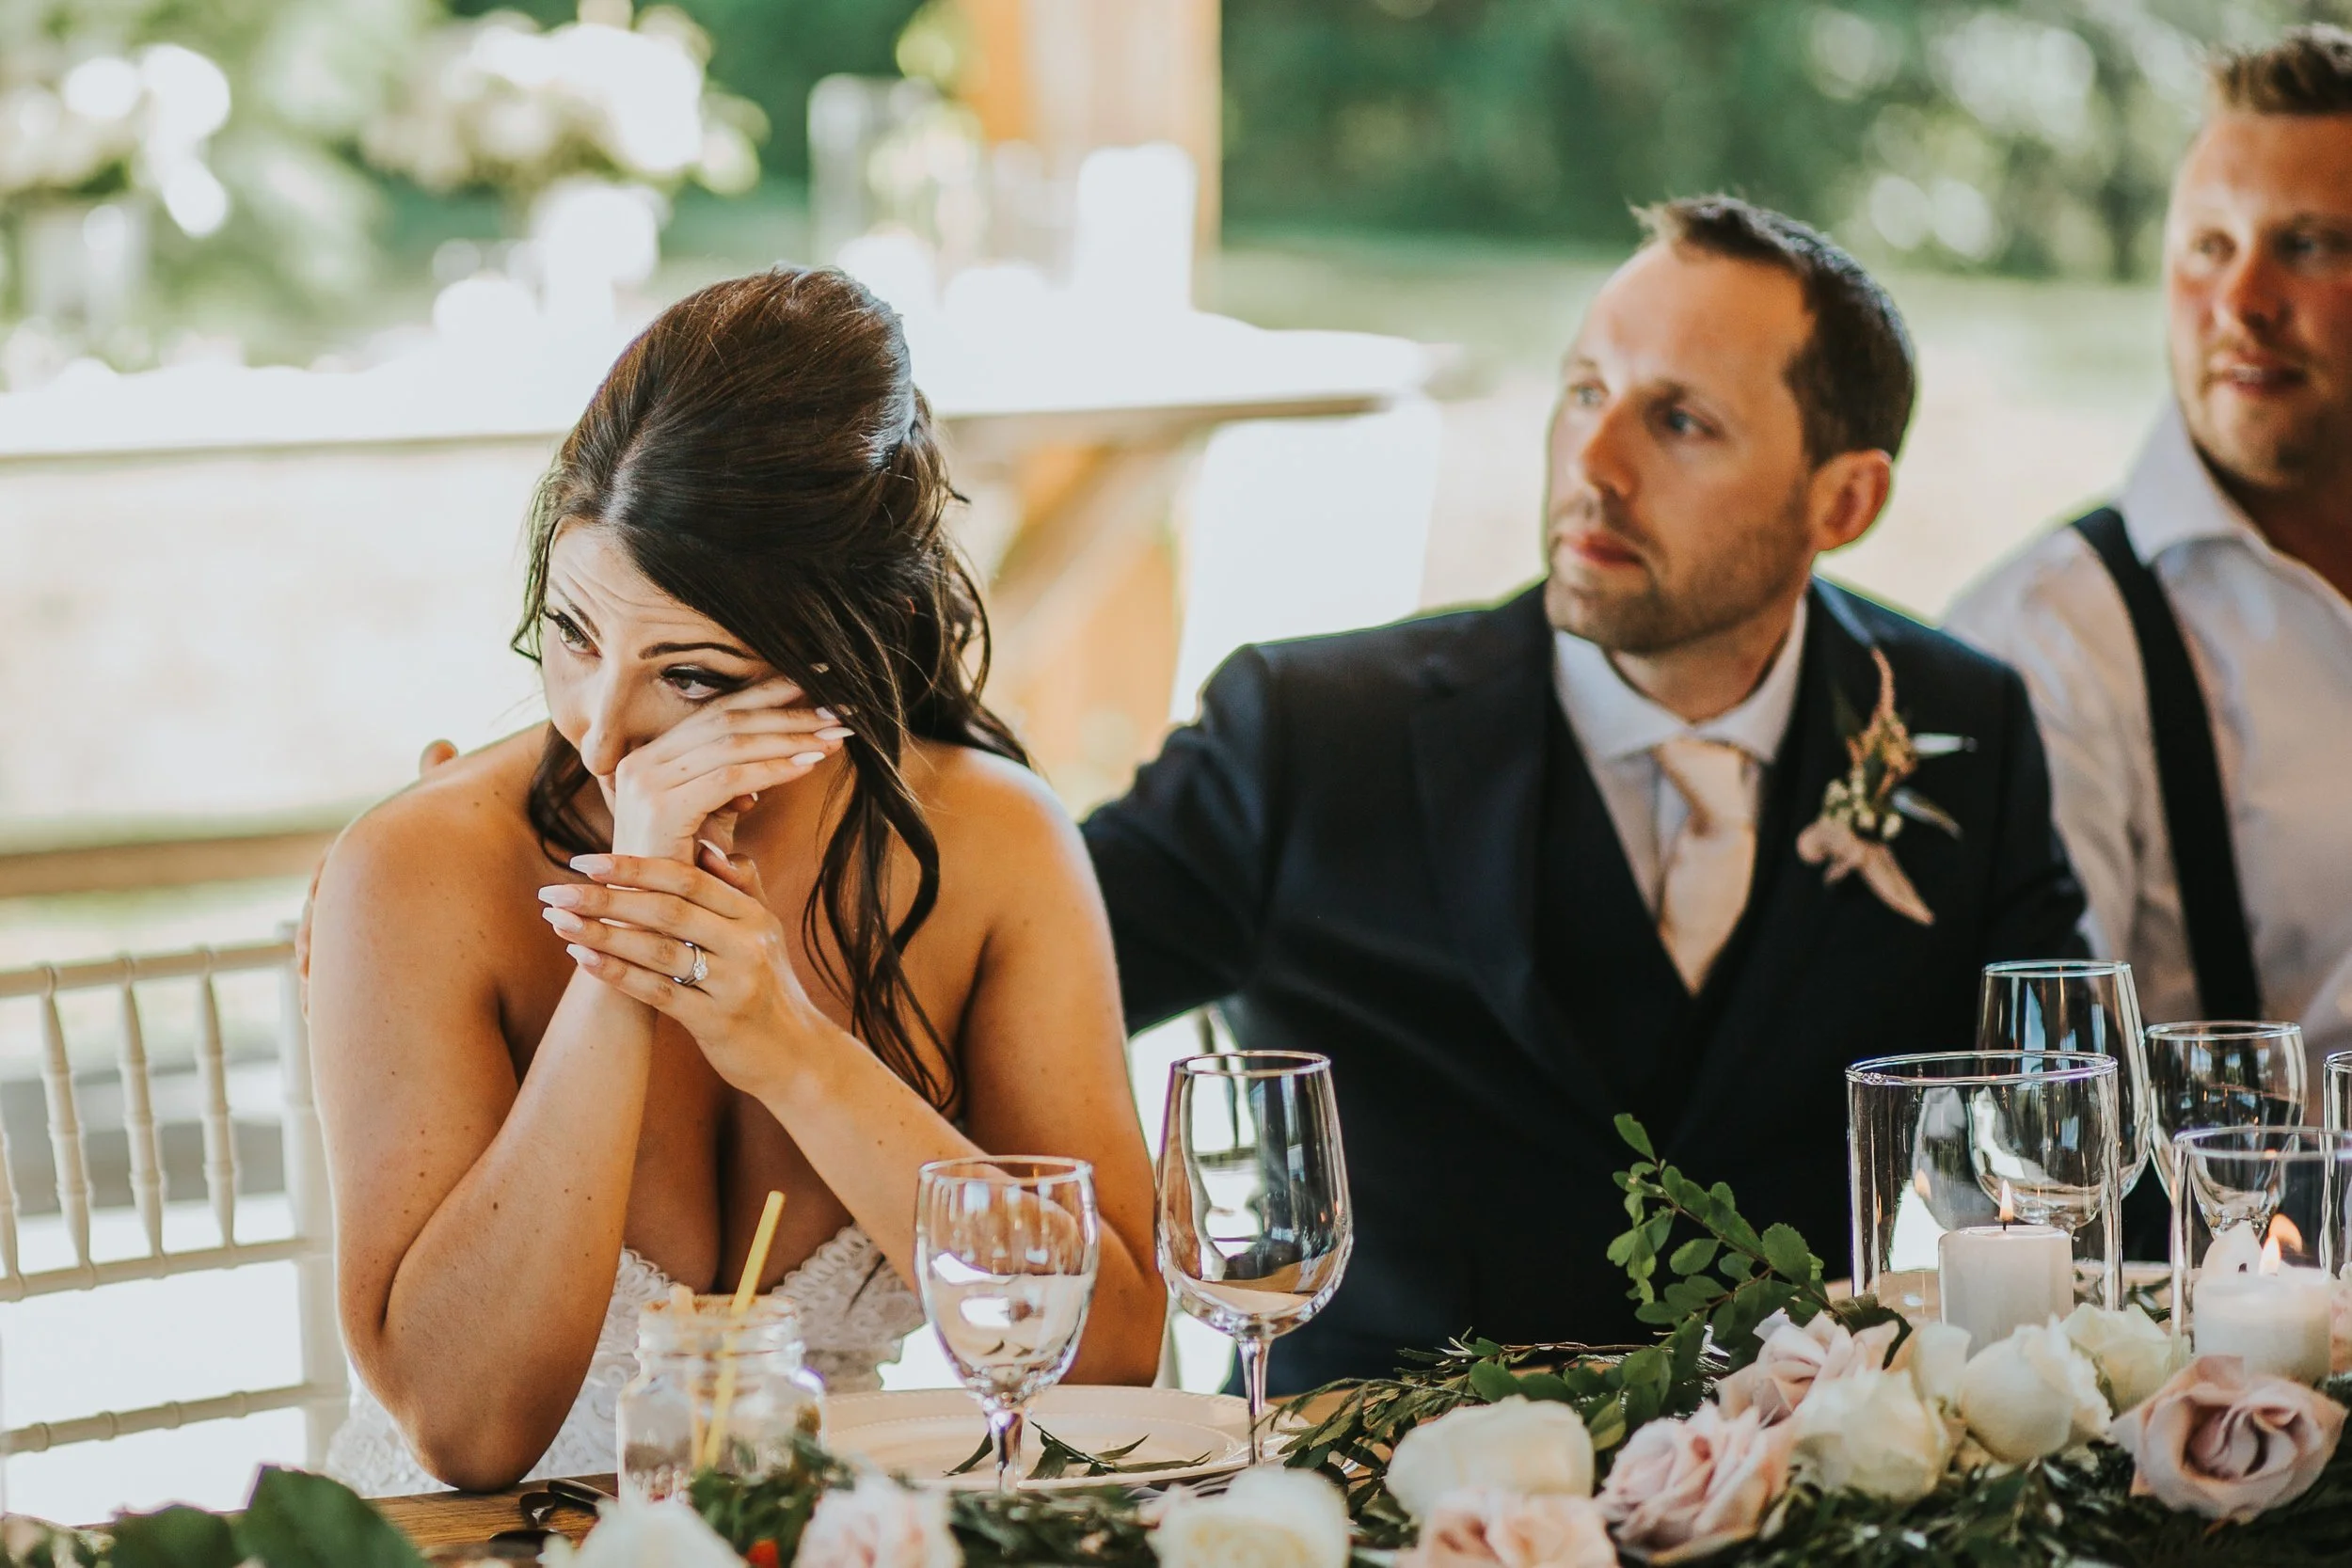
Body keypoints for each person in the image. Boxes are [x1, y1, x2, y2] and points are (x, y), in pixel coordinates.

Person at [1083, 197, 2086, 1393]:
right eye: (1581, 392)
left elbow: (2062, 1148)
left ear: (1844, 502)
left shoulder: (1963, 729)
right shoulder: (1306, 734)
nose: (1593, 465)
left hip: (1803, 1488)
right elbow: (1002, 983)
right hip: (1379, 1497)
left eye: (1678, 420)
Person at [306, 269, 1163, 1494]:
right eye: (573, 633)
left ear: (841, 643)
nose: (602, 732)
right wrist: (622, 961)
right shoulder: (424, 867)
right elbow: (468, 1430)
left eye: (691, 676)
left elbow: (1115, 1363)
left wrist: (792, 1050)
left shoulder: (996, 849)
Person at [1948, 26, 2352, 1094]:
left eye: (2308, 244)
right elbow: (2033, 1119)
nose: (2242, 301)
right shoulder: (2046, 640)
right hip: (2239, 1257)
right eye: (2207, 246)